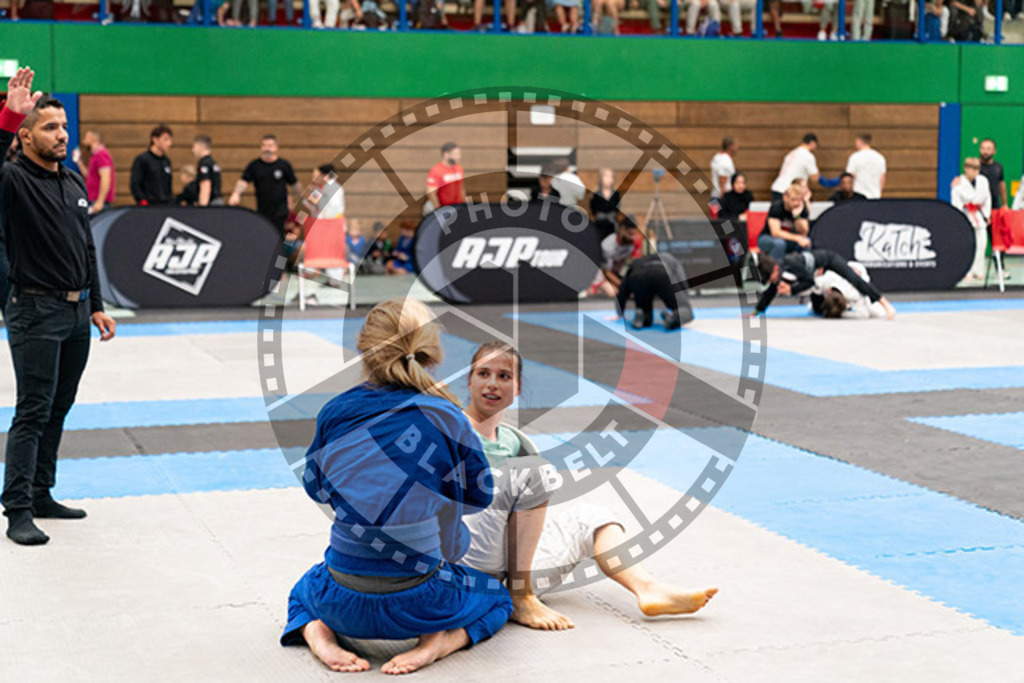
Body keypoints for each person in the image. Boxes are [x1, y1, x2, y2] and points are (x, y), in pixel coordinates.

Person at [281, 299, 512, 675]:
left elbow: (317, 488)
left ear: (363, 346)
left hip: (342, 601)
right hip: (421, 601)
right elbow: (479, 497)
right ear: (430, 352)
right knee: (498, 596)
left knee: (304, 589)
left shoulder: (336, 412)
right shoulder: (449, 416)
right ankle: (440, 641)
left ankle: (317, 632)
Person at [460, 342, 717, 630]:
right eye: (483, 373)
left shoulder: (516, 442)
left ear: (518, 387)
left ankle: (647, 588)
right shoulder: (450, 431)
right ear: (469, 381)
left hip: (506, 566)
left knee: (592, 518)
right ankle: (521, 596)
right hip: (467, 558)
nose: (493, 384)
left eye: (504, 376)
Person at [0, 68, 118, 546]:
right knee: (33, 408)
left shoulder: (71, 180)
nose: (62, 134)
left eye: (64, 126)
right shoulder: (11, 179)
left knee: (58, 407)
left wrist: (97, 304)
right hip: (33, 310)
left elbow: (85, 247)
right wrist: (9, 114)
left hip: (75, 313)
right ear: (26, 136)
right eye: (49, 127)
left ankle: (42, 492)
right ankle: (17, 508)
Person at [753, 250, 896, 319]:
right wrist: (757, 311)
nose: (771, 281)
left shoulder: (791, 264)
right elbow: (771, 291)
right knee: (815, 292)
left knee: (855, 280)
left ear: (775, 269)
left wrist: (791, 289)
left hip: (829, 260)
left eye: (769, 277)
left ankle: (885, 304)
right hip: (818, 273)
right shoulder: (778, 272)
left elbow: (810, 281)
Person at [228, 134, 301, 234]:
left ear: (276, 148)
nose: (267, 149)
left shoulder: (283, 165)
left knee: (279, 238)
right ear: (261, 148)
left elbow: (294, 184)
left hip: (281, 212)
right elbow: (243, 181)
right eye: (264, 145)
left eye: (270, 146)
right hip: (263, 211)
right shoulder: (255, 165)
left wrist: (298, 199)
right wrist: (236, 193)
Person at [614, 253, 695, 331]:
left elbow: (622, 289)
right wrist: (683, 301)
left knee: (645, 313)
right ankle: (673, 318)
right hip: (661, 273)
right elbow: (683, 282)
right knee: (685, 309)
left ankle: (642, 313)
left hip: (638, 276)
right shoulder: (670, 258)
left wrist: (619, 312)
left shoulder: (636, 262)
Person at [950, 157, 990, 282]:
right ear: (965, 169)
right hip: (966, 215)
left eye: (977, 168)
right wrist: (959, 218)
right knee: (968, 245)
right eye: (971, 168)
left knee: (982, 243)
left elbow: (987, 198)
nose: (974, 171)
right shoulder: (958, 183)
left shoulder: (983, 181)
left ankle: (979, 270)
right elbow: (956, 202)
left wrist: (987, 214)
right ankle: (968, 270)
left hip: (979, 215)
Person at [770, 133, 838, 200]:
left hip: (777, 187)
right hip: (789, 191)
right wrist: (831, 183)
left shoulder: (792, 153)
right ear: (812, 143)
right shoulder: (807, 156)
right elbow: (815, 178)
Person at [813, 261, 889, 319]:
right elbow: (811, 286)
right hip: (843, 269)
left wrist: (843, 315)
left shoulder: (854, 294)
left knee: (878, 313)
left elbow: (863, 314)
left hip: (859, 271)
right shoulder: (824, 280)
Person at [758, 183, 811, 262]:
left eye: (799, 200)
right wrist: (798, 238)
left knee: (807, 242)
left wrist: (797, 217)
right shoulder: (777, 207)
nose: (796, 203)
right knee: (779, 244)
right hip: (767, 238)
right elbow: (775, 233)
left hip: (789, 240)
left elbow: (804, 232)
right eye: (793, 200)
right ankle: (775, 271)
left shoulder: (801, 208)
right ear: (785, 198)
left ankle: (806, 271)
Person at [592, 218, 641, 297]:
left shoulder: (631, 244)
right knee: (613, 293)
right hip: (600, 275)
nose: (632, 238)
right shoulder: (607, 246)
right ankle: (593, 290)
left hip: (615, 273)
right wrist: (624, 286)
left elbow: (632, 264)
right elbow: (606, 272)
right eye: (629, 234)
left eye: (633, 235)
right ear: (622, 230)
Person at [129, 124, 173, 206]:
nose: (169, 143)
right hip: (149, 206)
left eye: (170, 140)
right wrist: (143, 201)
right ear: (155, 140)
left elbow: (168, 186)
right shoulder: (142, 159)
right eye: (165, 140)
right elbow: (135, 184)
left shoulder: (166, 161)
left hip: (165, 206)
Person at [81, 130, 114, 215]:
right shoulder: (95, 155)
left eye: (86, 137)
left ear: (93, 139)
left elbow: (106, 178)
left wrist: (100, 201)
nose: (84, 140)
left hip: (98, 202)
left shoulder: (101, 154)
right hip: (93, 199)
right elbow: (89, 175)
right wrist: (79, 163)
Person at [425, 142, 464, 213]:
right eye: (456, 154)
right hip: (443, 208)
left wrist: (464, 205)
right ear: (446, 155)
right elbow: (431, 193)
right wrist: (439, 210)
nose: (459, 156)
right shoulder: (436, 170)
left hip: (457, 208)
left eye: (459, 153)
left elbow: (461, 187)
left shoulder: (459, 169)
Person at [845, 134, 886, 200]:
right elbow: (882, 177)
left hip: (858, 194)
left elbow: (850, 176)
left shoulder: (855, 157)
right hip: (875, 195)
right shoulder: (879, 157)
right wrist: (878, 191)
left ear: (859, 142)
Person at [590, 168, 621, 241]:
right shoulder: (597, 194)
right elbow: (593, 207)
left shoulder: (616, 194)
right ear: (601, 179)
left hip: (612, 223)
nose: (608, 179)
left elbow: (617, 207)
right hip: (600, 223)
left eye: (610, 177)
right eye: (606, 176)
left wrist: (612, 215)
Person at [191, 135, 222, 207]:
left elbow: (205, 184)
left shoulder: (204, 163)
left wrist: (203, 207)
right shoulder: (213, 162)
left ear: (200, 147)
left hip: (211, 203)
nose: (193, 150)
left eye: (194, 147)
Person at [709, 137, 737, 201]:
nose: (736, 147)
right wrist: (723, 194)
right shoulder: (726, 159)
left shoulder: (716, 156)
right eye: (735, 145)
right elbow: (723, 177)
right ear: (730, 146)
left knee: (713, 210)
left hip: (714, 195)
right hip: (723, 196)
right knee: (720, 211)